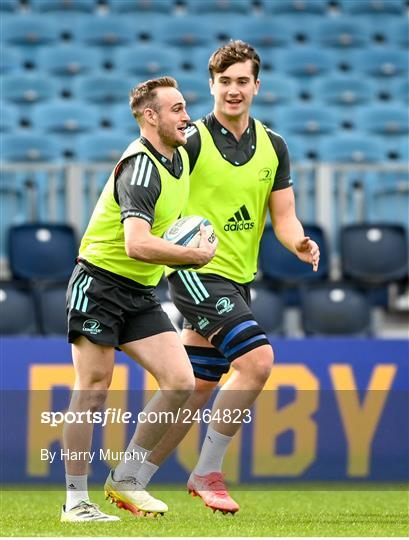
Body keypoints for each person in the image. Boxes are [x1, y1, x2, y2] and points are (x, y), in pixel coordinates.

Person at [128, 41, 320, 514]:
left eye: (242, 81)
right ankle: (207, 471)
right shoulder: (189, 139)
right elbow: (154, 183)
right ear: (211, 85)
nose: (233, 90)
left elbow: (285, 217)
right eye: (224, 81)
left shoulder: (274, 146)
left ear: (257, 85)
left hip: (238, 279)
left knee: (197, 386)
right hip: (197, 273)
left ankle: (131, 475)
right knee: (257, 361)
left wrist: (298, 241)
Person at [61, 76, 217, 522]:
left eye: (186, 107)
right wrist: (193, 255)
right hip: (99, 284)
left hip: (139, 290)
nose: (186, 116)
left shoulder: (180, 156)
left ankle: (127, 479)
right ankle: (76, 503)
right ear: (150, 117)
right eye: (177, 109)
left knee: (181, 382)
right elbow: (136, 244)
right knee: (93, 390)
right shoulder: (141, 168)